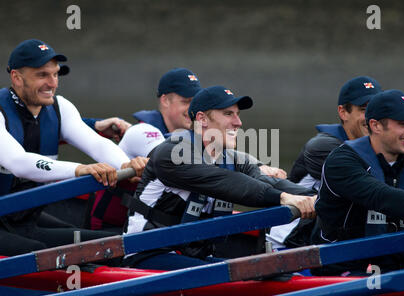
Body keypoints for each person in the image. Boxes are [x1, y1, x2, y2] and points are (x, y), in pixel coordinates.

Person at [120, 85, 317, 271]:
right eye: (228, 114)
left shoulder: (229, 157)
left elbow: (268, 181)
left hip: (191, 254)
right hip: (146, 253)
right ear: (202, 119)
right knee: (247, 280)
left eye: (238, 115)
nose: (238, 123)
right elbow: (231, 184)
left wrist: (318, 198)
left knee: (267, 274)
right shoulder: (173, 154)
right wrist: (284, 198)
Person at [89, 68, 286, 232]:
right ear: (165, 100)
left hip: (167, 224)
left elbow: (220, 157)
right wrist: (255, 169)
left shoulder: (197, 140)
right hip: (111, 227)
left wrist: (255, 166)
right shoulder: (145, 132)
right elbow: (187, 160)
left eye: (197, 100)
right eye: (186, 101)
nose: (193, 107)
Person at [0, 39, 147, 256]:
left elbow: (97, 143)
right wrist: (80, 169)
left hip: (22, 216)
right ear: (17, 78)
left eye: (55, 74)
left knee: (99, 243)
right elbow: (18, 163)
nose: (52, 83)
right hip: (6, 220)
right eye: (42, 75)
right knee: (39, 253)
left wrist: (125, 164)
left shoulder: (61, 108)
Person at [314, 89, 404, 276]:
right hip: (343, 269)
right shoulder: (341, 162)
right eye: (403, 124)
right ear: (376, 125)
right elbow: (381, 196)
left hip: (399, 269)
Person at [268, 76, 382, 249]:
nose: (372, 117)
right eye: (364, 109)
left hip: (326, 242)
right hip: (287, 246)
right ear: (343, 112)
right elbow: (376, 184)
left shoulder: (376, 148)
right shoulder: (322, 147)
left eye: (377, 109)